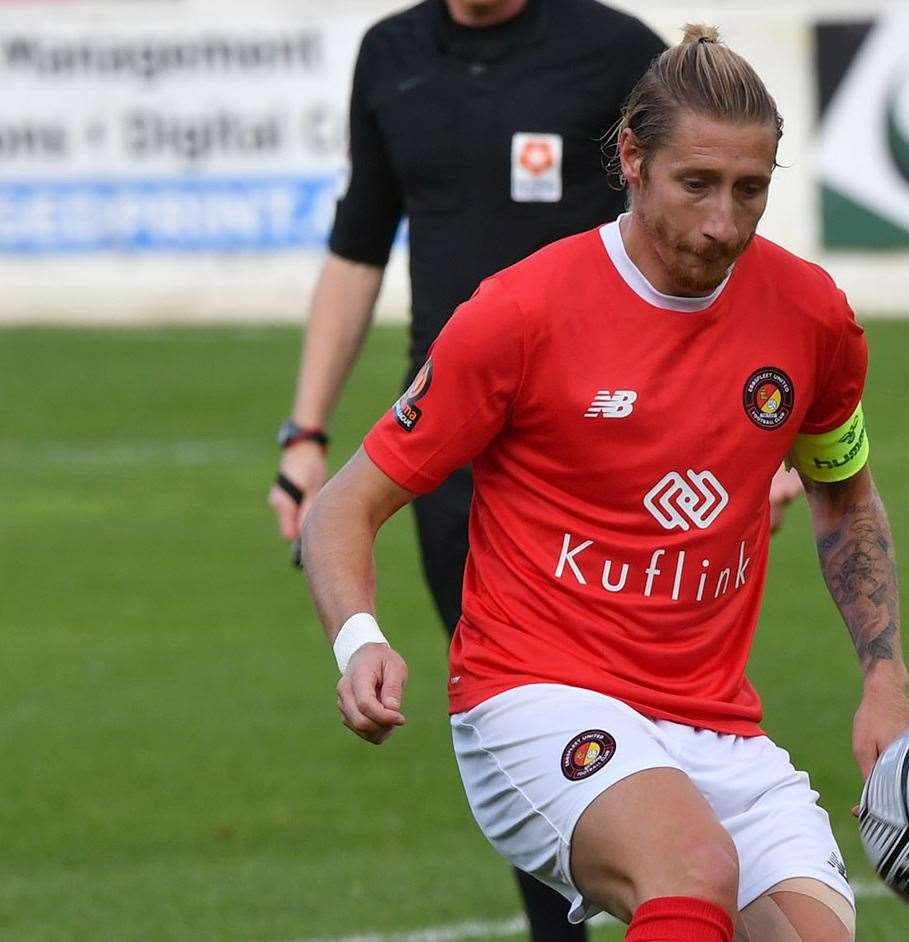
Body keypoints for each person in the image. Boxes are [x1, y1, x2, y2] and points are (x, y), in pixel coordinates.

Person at [301, 26, 909, 942]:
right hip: (533, 696)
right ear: (630, 158)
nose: (723, 222)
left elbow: (842, 493)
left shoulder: (812, 316)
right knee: (691, 872)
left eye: (750, 190)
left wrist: (884, 678)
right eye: (696, 185)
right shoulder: (520, 313)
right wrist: (359, 640)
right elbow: (344, 504)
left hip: (714, 722)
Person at [267, 2, 667, 939]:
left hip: (610, 449)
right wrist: (306, 431)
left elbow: (697, 233)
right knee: (511, 715)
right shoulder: (390, 54)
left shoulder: (616, 51)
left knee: (652, 706)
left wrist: (743, 435)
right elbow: (359, 246)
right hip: (453, 458)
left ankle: (677, 895)